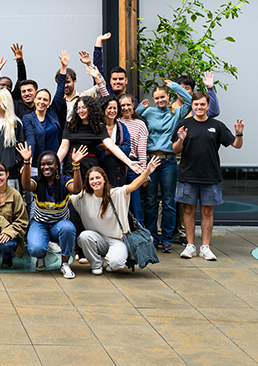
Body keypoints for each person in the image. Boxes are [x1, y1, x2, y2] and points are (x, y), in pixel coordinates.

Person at [173, 92, 244, 261]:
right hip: (188, 175)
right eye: (196, 104)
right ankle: (190, 246)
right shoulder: (184, 124)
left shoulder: (217, 126)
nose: (199, 107)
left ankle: (205, 247)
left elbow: (236, 145)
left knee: (207, 212)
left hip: (210, 176)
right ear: (192, 106)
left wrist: (239, 134)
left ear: (207, 105)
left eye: (202, 105)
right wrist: (181, 139)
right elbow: (175, 150)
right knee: (188, 210)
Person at [69, 159, 161, 274]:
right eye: (91, 179)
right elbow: (65, 200)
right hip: (98, 239)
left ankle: (112, 263)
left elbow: (132, 186)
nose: (95, 181)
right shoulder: (84, 196)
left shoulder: (115, 194)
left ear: (104, 179)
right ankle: (96, 264)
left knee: (116, 263)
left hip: (117, 240)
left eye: (98, 178)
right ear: (88, 182)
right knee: (83, 236)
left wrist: (147, 171)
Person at [136, 79, 192, 252]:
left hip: (169, 160)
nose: (160, 101)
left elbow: (189, 101)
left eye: (162, 97)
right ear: (153, 99)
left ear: (168, 97)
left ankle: (167, 238)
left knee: (168, 201)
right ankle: (152, 236)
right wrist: (140, 108)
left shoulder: (176, 112)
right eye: (157, 98)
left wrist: (173, 86)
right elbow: (134, 117)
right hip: (152, 160)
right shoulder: (149, 112)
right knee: (150, 201)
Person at [19, 146, 83, 279]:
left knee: (68, 228)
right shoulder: (37, 180)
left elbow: (76, 189)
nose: (46, 167)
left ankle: (65, 264)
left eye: (49, 164)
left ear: (56, 165)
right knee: (36, 249)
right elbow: (26, 186)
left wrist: (76, 165)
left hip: (59, 225)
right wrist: (26, 162)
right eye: (42, 164)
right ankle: (41, 255)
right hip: (40, 224)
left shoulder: (64, 181)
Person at [57, 95, 136, 177]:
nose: (81, 110)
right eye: (78, 108)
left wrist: (129, 162)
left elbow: (112, 146)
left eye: (83, 107)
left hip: (91, 165)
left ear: (91, 108)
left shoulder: (99, 126)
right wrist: (55, 165)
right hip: (72, 164)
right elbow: (63, 148)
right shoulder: (70, 124)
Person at [21, 51, 69, 172]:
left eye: (45, 100)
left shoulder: (52, 112)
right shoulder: (28, 118)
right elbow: (30, 138)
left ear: (48, 103)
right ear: (35, 99)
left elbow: (60, 90)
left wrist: (63, 68)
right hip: (37, 165)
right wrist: (29, 158)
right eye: (39, 99)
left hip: (56, 163)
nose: (42, 102)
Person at [118, 93, 148, 222]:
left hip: (134, 166)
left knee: (135, 205)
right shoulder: (116, 123)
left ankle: (140, 237)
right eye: (122, 105)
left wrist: (144, 173)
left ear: (133, 106)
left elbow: (142, 150)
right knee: (118, 204)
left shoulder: (140, 124)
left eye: (128, 105)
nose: (126, 108)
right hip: (117, 165)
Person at [99, 95, 132, 188]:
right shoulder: (97, 127)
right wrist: (116, 149)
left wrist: (109, 148)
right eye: (109, 108)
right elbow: (96, 151)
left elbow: (127, 149)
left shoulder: (122, 127)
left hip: (118, 171)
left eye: (115, 108)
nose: (112, 111)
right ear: (104, 109)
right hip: (100, 170)